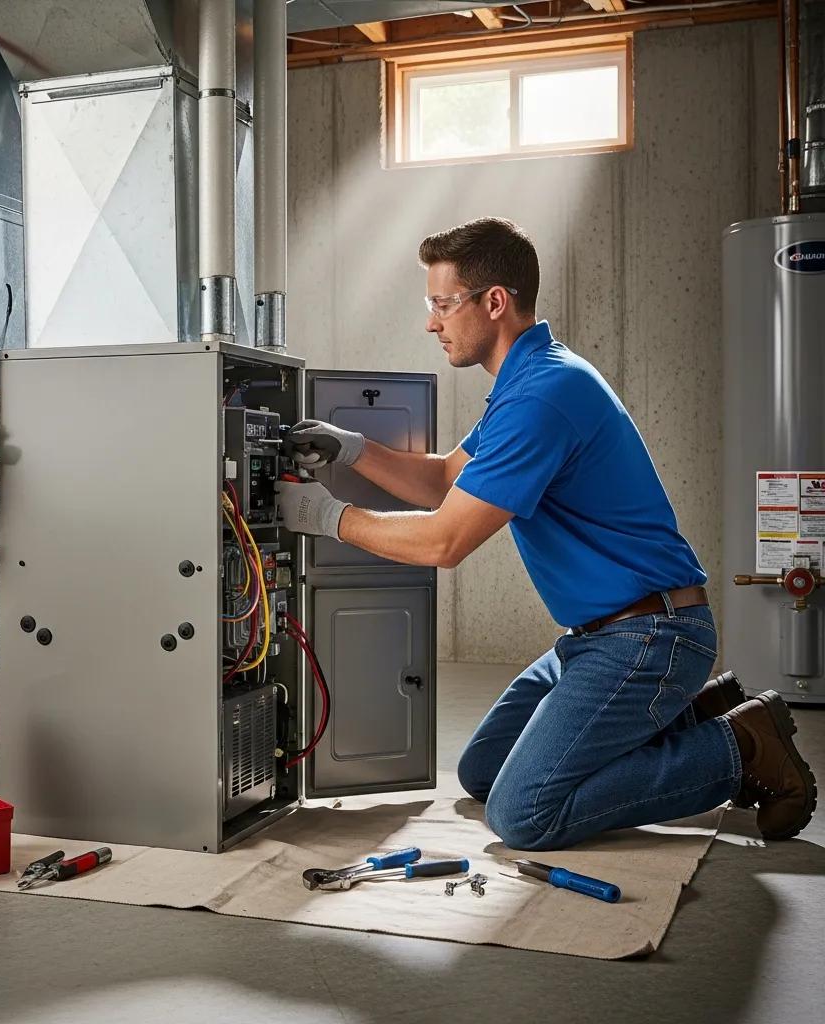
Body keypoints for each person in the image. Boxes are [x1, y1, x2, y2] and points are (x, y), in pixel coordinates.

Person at [276, 217, 816, 850]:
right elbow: (447, 480)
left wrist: (325, 518)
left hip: (649, 636)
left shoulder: (544, 396)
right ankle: (697, 713)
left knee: (523, 812)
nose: (432, 323)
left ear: (495, 301)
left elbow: (443, 541)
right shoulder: (526, 384)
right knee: (483, 772)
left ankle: (742, 747)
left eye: (443, 304)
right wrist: (352, 450)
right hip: (595, 640)